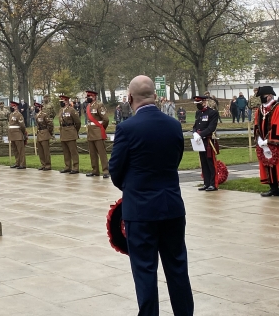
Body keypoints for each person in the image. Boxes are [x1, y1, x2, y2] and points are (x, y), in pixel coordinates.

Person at [108, 76, 194, 316]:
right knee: (177, 268)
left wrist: (132, 187)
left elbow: (115, 170)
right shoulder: (173, 125)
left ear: (130, 98)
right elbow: (175, 160)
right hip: (171, 206)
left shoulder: (126, 128)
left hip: (141, 210)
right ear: (154, 96)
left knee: (145, 271)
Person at [254, 86, 279, 198]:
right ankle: (273, 188)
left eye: (262, 96)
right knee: (267, 164)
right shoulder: (260, 109)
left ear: (270, 96)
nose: (261, 98)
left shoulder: (278, 107)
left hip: (276, 143)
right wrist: (259, 138)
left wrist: (269, 139)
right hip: (263, 143)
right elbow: (256, 123)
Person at [191, 96, 220, 191]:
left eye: (199, 104)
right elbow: (196, 125)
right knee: (203, 162)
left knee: (210, 162)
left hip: (208, 141)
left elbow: (211, 127)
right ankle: (206, 183)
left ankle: (213, 183)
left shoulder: (212, 113)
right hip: (199, 141)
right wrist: (195, 133)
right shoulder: (198, 113)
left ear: (204, 102)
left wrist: (201, 134)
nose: (198, 106)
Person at [84, 90, 110, 179]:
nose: (87, 98)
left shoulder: (99, 105)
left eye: (89, 96)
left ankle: (106, 171)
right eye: (87, 96)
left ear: (94, 97)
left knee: (102, 152)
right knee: (92, 153)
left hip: (98, 131)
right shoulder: (88, 106)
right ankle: (95, 170)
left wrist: (102, 128)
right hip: (90, 132)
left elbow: (105, 119)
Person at [58, 95, 81, 174]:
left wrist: (75, 130)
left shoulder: (71, 110)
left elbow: (78, 122)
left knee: (73, 151)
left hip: (70, 131)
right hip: (63, 132)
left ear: (66, 101)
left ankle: (75, 167)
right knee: (66, 151)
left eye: (62, 101)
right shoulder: (61, 110)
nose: (61, 103)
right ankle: (67, 166)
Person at [6, 101, 27, 169]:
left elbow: (22, 125)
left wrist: (23, 133)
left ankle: (22, 164)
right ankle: (17, 162)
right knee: (15, 150)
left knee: (20, 150)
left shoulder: (19, 114)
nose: (11, 107)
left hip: (18, 134)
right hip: (12, 134)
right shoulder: (11, 114)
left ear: (15, 107)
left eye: (12, 106)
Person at [34, 102, 53, 171]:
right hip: (39, 133)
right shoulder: (36, 115)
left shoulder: (44, 115)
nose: (35, 108)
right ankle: (43, 164)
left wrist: (49, 132)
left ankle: (48, 165)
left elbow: (50, 124)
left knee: (46, 151)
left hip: (44, 133)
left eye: (37, 107)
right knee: (41, 151)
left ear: (40, 108)